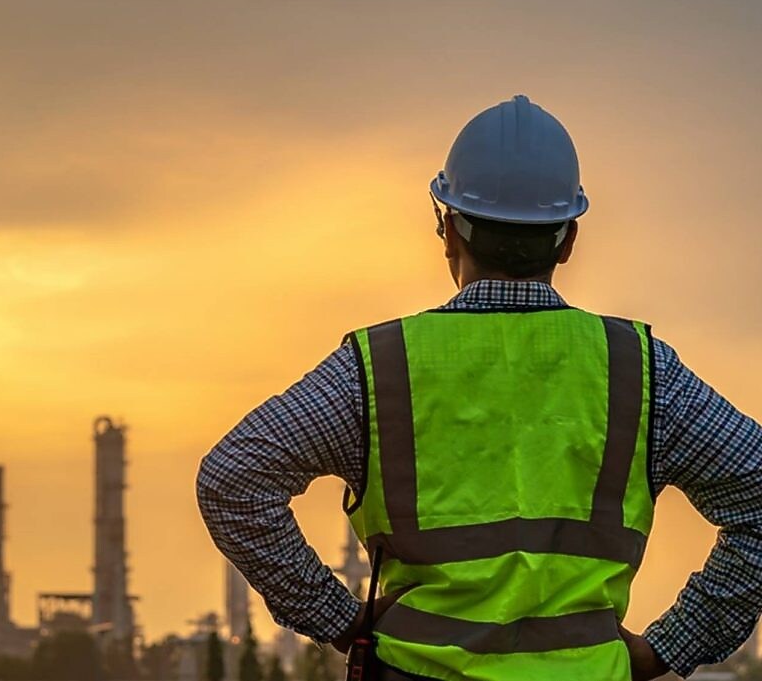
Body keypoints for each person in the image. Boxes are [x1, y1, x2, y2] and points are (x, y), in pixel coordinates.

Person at [196, 95, 762, 681]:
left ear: (447, 230)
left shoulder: (378, 371)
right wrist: (670, 645)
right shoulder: (641, 372)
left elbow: (233, 479)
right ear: (568, 241)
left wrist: (340, 618)